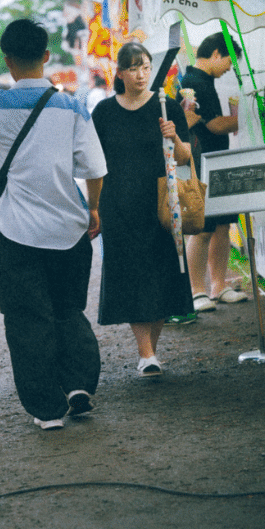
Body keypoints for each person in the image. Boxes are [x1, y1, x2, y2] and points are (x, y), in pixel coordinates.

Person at [0, 20, 106, 431]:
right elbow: (94, 167)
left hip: (19, 233)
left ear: (6, 60)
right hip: (69, 228)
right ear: (45, 57)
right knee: (68, 310)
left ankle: (46, 409)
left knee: (26, 319)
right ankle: (78, 386)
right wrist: (93, 209)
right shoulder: (72, 106)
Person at [91, 43, 194, 376]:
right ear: (120, 73)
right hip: (117, 204)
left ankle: (152, 348)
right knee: (132, 274)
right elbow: (93, 163)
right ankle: (146, 352)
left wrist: (174, 137)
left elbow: (183, 157)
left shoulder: (166, 107)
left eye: (146, 67)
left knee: (161, 274)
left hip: (160, 203)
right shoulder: (104, 112)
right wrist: (94, 207)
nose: (140, 74)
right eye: (133, 68)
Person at [182, 33, 248, 319]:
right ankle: (198, 290)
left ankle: (218, 286)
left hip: (216, 160)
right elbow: (216, 126)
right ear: (218, 54)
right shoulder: (195, 84)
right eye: (230, 63)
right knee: (202, 228)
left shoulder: (202, 82)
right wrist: (250, 115)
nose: (230, 69)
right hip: (199, 162)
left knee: (222, 225)